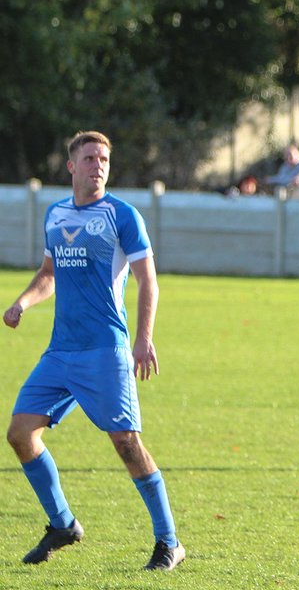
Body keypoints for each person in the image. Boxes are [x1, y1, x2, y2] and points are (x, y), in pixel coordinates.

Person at [2, 131, 185, 571]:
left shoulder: (122, 216)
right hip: (60, 351)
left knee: (126, 442)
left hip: (106, 349)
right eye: (89, 158)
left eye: (103, 159)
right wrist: (21, 302)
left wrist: (143, 338)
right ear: (71, 166)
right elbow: (49, 273)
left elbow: (148, 281)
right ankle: (63, 524)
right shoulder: (56, 213)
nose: (98, 165)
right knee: (20, 433)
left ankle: (169, 542)